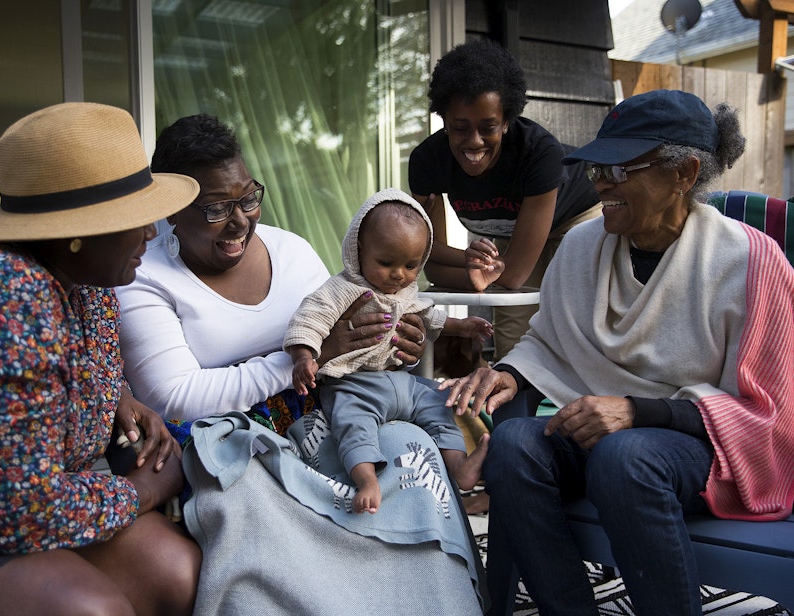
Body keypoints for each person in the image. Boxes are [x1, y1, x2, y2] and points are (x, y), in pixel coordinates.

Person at [443, 89, 794, 615]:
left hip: (699, 446)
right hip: (596, 435)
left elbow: (768, 410)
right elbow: (549, 340)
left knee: (625, 455)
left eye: (620, 168)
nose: (600, 183)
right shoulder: (582, 248)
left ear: (684, 173)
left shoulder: (749, 261)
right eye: (596, 169)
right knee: (515, 442)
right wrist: (512, 374)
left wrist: (636, 412)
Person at [117, 115, 487, 614]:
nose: (241, 220)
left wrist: (397, 341)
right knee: (259, 506)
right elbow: (174, 397)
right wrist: (305, 360)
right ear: (172, 208)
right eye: (215, 208)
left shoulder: (290, 251)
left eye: (249, 198)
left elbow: (353, 327)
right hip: (232, 442)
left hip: (330, 414)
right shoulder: (145, 278)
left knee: (411, 449)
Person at [0, 103, 203, 614]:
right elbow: (16, 512)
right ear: (74, 230)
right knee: (90, 610)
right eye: (133, 219)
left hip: (29, 489)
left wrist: (120, 396)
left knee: (175, 574)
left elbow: (51, 367)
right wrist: (143, 491)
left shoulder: (85, 276)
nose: (151, 234)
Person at [285, 187, 498, 514]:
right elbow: (310, 318)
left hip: (401, 383)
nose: (399, 274)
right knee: (352, 424)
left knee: (441, 404)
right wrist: (304, 356)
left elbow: (429, 314)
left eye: (412, 265)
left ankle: (460, 467)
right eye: (386, 262)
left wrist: (461, 326)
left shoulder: (405, 290)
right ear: (359, 249)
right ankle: (367, 479)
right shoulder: (343, 289)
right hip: (354, 384)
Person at [408, 37, 601, 361]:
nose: (474, 142)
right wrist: (471, 264)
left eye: (489, 127)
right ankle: (517, 411)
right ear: (443, 120)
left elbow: (512, 274)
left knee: (578, 327)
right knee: (514, 343)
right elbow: (431, 261)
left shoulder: (538, 153)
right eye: (460, 128)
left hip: (577, 216)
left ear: (507, 121)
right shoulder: (428, 161)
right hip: (516, 234)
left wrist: (476, 265)